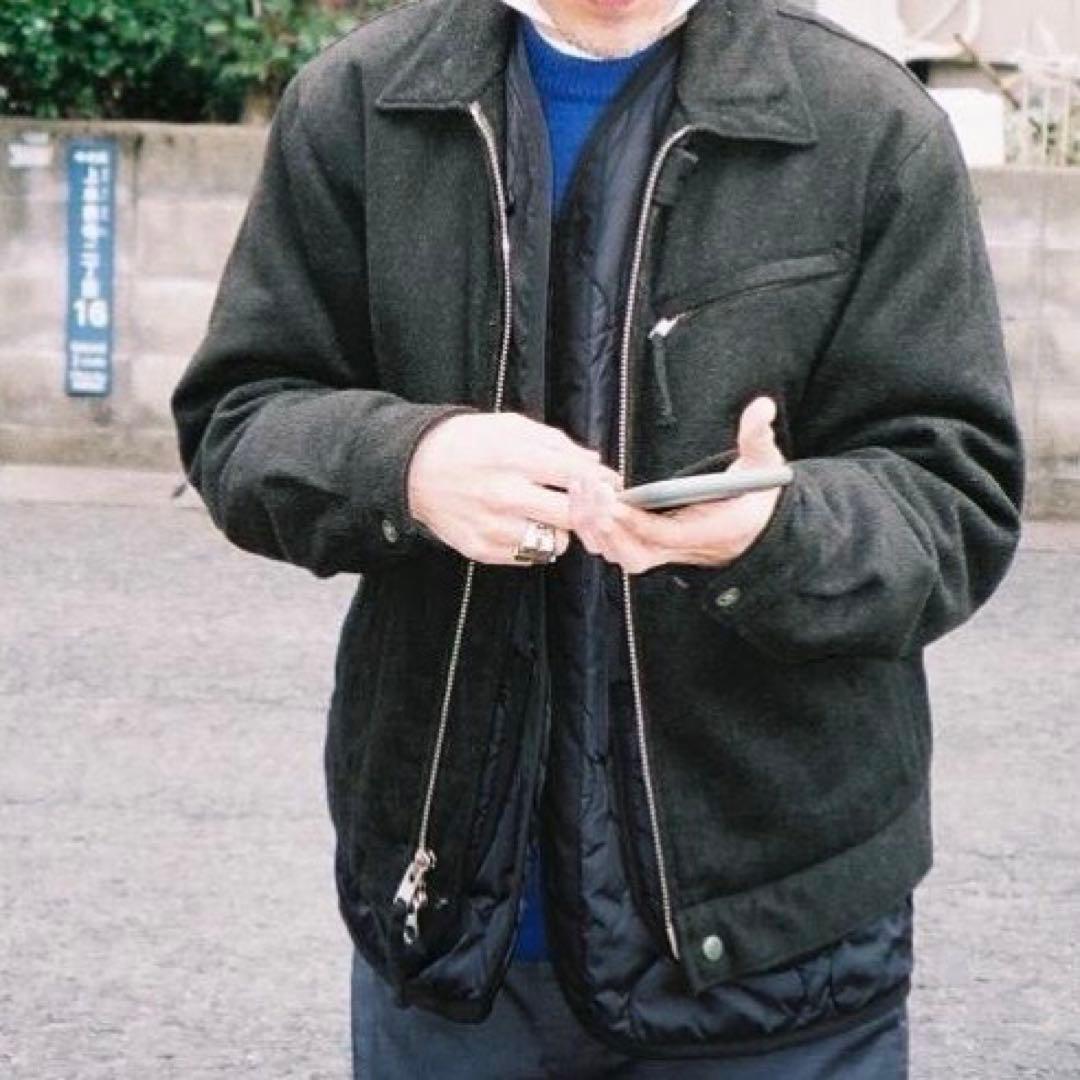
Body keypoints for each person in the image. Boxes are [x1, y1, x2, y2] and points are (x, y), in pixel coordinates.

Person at [170, 0, 1024, 1075]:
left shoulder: (866, 122)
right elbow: (240, 416)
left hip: (776, 942)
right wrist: (407, 467)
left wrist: (779, 530)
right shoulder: (363, 102)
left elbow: (956, 491)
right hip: (447, 926)